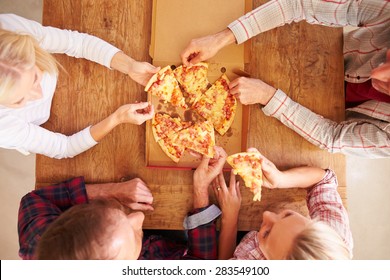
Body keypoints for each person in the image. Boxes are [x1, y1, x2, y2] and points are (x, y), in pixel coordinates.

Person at [181, 0, 390, 158]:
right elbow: (298, 4)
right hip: (316, 55)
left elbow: (333, 138)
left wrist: (268, 96)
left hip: (319, 115)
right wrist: (221, 38)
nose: (376, 73)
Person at [17, 146, 228, 260]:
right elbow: (200, 263)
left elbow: (34, 200)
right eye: (135, 235)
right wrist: (201, 191)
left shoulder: (38, 245)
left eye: (116, 213)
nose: (140, 217)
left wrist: (112, 191)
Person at [0, 13, 158, 159]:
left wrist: (130, 66)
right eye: (19, 100)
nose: (39, 94)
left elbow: (77, 42)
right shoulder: (3, 129)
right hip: (46, 119)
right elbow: (64, 148)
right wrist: (117, 118)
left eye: (35, 78)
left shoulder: (12, 31)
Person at [213, 148, 353, 260]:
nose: (266, 214)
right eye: (287, 215)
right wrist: (281, 179)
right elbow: (323, 181)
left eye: (267, 233)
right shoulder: (332, 238)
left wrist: (229, 219)